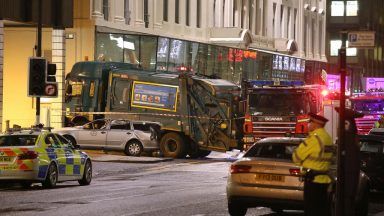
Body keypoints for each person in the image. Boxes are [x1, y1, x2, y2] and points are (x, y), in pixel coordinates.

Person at [292, 113, 333, 216]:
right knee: (322, 211)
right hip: (324, 181)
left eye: (310, 121)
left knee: (311, 211)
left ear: (316, 124)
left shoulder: (314, 139)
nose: (308, 124)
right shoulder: (328, 138)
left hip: (313, 181)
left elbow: (296, 157)